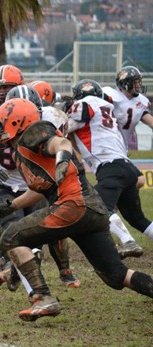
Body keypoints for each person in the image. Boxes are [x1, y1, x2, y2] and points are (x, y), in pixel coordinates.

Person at [0, 98, 153, 321]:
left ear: (17, 120)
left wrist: (63, 159)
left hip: (72, 205)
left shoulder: (34, 132)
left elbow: (61, 144)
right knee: (116, 275)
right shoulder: (25, 150)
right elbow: (43, 188)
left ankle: (42, 297)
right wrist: (12, 206)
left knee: (10, 238)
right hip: (91, 210)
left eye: (2, 123)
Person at [0, 84, 81, 291]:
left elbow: (62, 149)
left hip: (37, 184)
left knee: (52, 225)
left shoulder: (50, 121)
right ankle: (22, 274)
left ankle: (63, 269)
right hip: (6, 184)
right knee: (8, 227)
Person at [67, 79, 153, 258]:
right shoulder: (106, 106)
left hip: (110, 166)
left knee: (98, 206)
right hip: (126, 166)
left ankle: (128, 241)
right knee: (137, 219)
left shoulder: (83, 105)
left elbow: (63, 128)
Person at [102, 66, 153, 152]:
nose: (138, 85)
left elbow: (150, 121)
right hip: (106, 144)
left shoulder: (141, 102)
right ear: (124, 84)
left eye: (139, 82)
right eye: (135, 82)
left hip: (121, 147)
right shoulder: (111, 96)